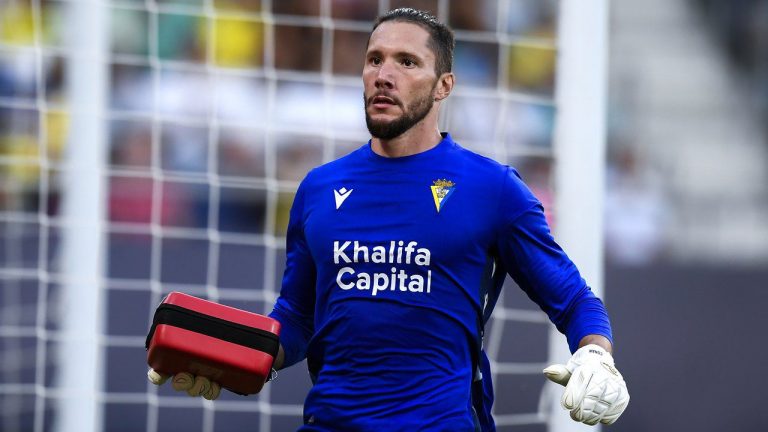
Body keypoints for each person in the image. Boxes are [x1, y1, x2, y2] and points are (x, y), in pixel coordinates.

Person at [148, 8, 629, 431]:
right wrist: (232, 358)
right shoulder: (318, 187)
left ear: (444, 86)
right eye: (374, 59)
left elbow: (574, 300)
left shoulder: (493, 188)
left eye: (407, 62)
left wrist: (596, 356)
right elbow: (297, 317)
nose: (383, 74)